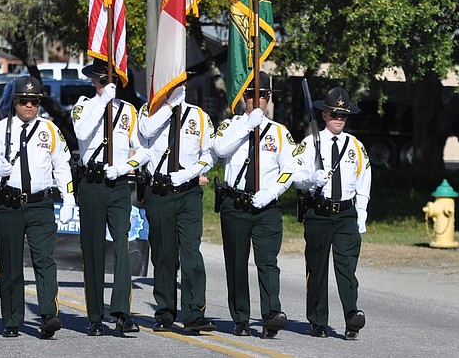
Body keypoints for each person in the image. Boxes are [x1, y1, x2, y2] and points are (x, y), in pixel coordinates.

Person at [0, 75, 76, 339]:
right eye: (24, 101)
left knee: (45, 260)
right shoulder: (0, 130)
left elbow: (63, 166)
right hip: (8, 204)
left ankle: (49, 315)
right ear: (15, 102)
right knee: (10, 263)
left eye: (34, 101)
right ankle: (12, 320)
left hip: (40, 204)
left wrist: (69, 199)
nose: (30, 106)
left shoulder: (50, 130)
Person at [211, 72, 297, 338]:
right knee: (236, 263)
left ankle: (271, 315)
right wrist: (248, 125)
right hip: (235, 205)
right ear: (243, 98)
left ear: (268, 98)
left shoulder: (279, 133)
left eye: (261, 96)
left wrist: (272, 192)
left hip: (266, 208)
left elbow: (290, 169)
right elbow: (220, 149)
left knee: (268, 262)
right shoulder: (231, 126)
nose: (256, 101)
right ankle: (241, 318)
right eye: (250, 96)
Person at [71, 60, 145, 336]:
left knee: (122, 245)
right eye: (101, 82)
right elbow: (82, 133)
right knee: (92, 249)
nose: (103, 86)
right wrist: (103, 103)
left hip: (118, 185)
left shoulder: (128, 111)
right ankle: (94, 316)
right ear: (94, 83)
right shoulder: (84, 106)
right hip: (91, 183)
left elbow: (142, 151)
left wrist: (126, 167)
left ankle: (122, 312)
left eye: (108, 82)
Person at [137, 80, 216, 333]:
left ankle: (194, 313)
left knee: (191, 252)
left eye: (179, 84)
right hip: (158, 191)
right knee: (164, 255)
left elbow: (209, 154)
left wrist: (191, 172)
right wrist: (168, 106)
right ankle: (165, 313)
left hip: (188, 192)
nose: (176, 88)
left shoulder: (199, 116)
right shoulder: (150, 111)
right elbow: (146, 132)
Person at [293, 86, 371, 340]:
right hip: (319, 212)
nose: (339, 119)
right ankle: (318, 320)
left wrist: (361, 216)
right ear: (324, 115)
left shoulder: (355, 146)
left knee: (347, 268)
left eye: (343, 115)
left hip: (346, 214)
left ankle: (351, 317)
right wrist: (312, 179)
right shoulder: (309, 143)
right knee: (317, 268)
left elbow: (363, 182)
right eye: (334, 114)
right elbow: (296, 177)